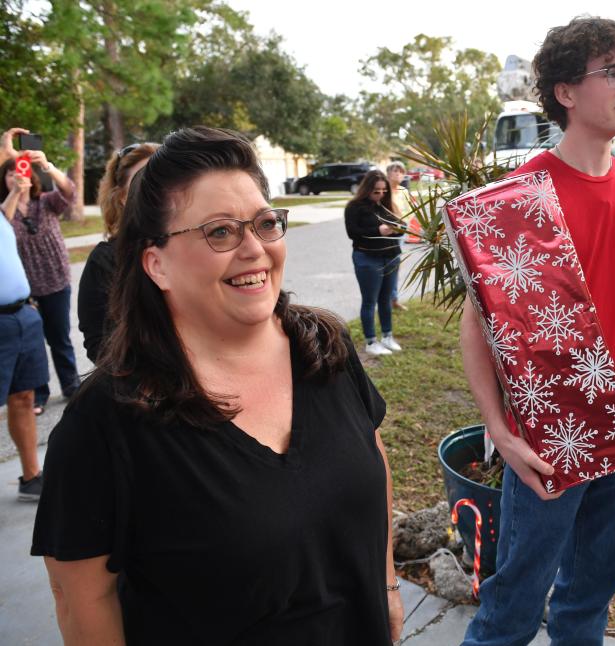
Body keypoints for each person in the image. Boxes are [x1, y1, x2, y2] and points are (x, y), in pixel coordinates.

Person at [31, 127, 404, 644]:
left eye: (265, 224)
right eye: (221, 232)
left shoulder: (326, 348)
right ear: (155, 263)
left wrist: (385, 585)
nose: (254, 249)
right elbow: (81, 597)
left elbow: (374, 454)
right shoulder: (108, 420)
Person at [460, 17, 615, 645]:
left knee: (590, 600)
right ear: (565, 92)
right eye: (611, 72)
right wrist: (499, 432)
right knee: (514, 605)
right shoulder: (519, 196)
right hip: (552, 438)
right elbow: (478, 326)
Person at [0, 139, 80, 415]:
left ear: (30, 175)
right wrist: (14, 194)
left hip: (56, 280)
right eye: (9, 173)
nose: (15, 177)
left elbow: (70, 192)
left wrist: (47, 165)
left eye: (19, 172)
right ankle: (40, 393)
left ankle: (71, 385)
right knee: (36, 345)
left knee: (59, 338)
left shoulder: (46, 202)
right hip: (28, 289)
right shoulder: (4, 211)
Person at [0, 126, 48, 501]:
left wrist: (18, 185)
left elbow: (12, 198)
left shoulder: (3, 213)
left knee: (24, 397)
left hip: (23, 316)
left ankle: (32, 477)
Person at [78, 141, 158, 363]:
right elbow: (99, 345)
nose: (156, 189)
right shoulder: (105, 261)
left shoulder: (196, 243)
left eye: (162, 178)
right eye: (142, 182)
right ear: (123, 197)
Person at [344, 169, 404, 356]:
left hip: (391, 257)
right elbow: (353, 232)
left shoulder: (386, 206)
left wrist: (398, 228)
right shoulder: (354, 207)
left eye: (384, 191)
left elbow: (402, 229)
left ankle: (387, 336)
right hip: (368, 258)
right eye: (376, 191)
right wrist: (379, 230)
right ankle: (371, 341)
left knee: (386, 299)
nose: (380, 194)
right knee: (370, 301)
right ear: (367, 188)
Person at [386, 160, 414, 311]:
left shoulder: (403, 191)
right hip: (388, 232)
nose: (398, 174)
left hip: (402, 232)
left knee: (396, 265)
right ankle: (388, 298)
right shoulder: (384, 191)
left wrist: (405, 225)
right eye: (394, 171)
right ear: (388, 173)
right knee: (390, 265)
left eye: (401, 171)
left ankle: (393, 298)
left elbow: (410, 211)